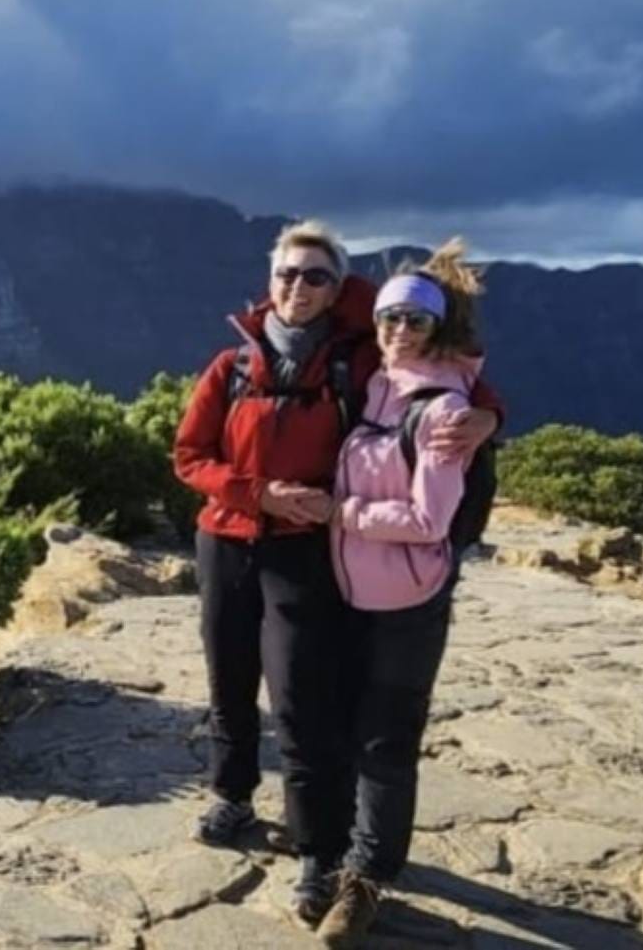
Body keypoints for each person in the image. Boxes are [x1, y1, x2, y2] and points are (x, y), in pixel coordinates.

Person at [172, 222, 502, 922]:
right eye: (287, 273)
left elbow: (444, 368)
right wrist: (256, 493)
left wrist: (489, 416)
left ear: (339, 289)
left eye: (317, 276)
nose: (298, 286)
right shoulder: (230, 365)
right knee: (228, 679)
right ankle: (230, 794)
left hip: (305, 551)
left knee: (300, 700)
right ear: (268, 280)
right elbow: (189, 457)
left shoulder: (359, 357)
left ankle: (317, 849)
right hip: (227, 540)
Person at [313, 241, 487, 947]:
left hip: (409, 605)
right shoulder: (376, 384)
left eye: (416, 320)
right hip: (350, 595)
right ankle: (346, 850)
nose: (399, 330)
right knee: (346, 730)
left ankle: (365, 882)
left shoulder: (442, 409)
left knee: (386, 741)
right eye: (390, 317)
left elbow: (428, 521)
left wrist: (341, 512)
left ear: (437, 327)